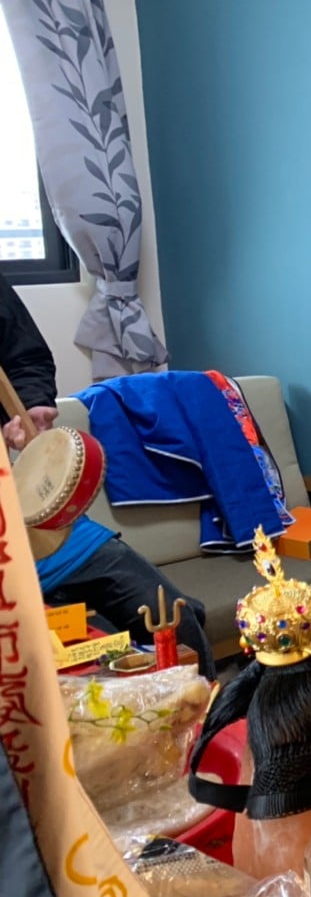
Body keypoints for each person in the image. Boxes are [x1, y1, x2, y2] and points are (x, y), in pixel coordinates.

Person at [0, 273, 215, 679]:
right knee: (71, 674)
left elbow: (25, 359)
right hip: (8, 567)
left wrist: (31, 406)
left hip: (38, 521)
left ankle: (205, 717)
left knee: (175, 620)